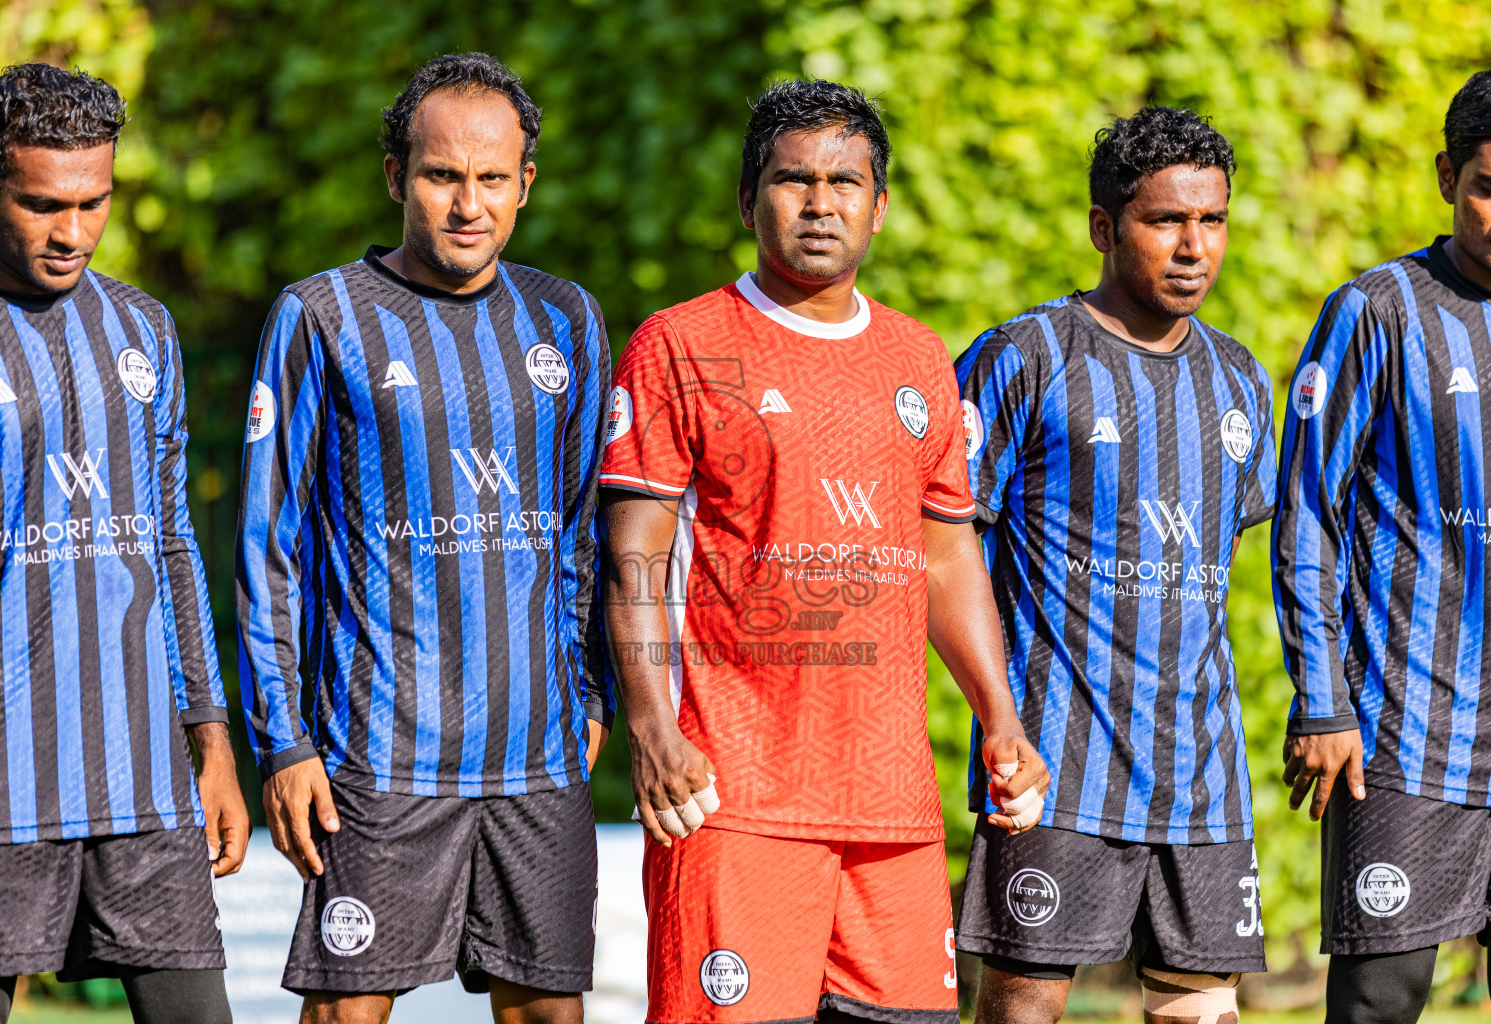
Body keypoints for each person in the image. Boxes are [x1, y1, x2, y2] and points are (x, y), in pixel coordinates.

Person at [600, 78, 1047, 1024]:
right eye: (793, 180)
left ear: (878, 208)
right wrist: (650, 727)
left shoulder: (920, 358)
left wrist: (999, 716)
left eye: (845, 182)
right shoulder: (680, 345)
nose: (819, 203)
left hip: (893, 807)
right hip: (732, 797)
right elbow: (634, 557)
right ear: (749, 198)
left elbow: (947, 556)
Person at [237, 53, 611, 1024]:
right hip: (379, 756)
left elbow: (583, 533)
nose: (468, 203)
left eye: (493, 178)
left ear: (526, 182)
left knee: (549, 1011)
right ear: (398, 174)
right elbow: (269, 543)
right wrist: (283, 739)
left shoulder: (566, 319)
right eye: (444, 175)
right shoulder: (321, 316)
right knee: (347, 1011)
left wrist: (594, 690)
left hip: (539, 757)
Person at [953, 107, 1275, 1024]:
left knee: (1200, 1013)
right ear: (1103, 228)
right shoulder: (1024, 358)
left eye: (1211, 221)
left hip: (1204, 778)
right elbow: (949, 549)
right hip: (1058, 767)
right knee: (1022, 1009)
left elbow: (1218, 564)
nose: (1193, 246)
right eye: (1165, 220)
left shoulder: (1241, 380)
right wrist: (998, 720)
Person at [0, 64, 248, 1024]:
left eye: (95, 202)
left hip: (145, 782)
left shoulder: (144, 330)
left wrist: (212, 742)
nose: (72, 230)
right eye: (41, 204)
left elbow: (170, 548)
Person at [1273, 70, 1491, 1024]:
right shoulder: (1378, 311)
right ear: (1447, 176)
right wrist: (1322, 701)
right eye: (1490, 184)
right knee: (1381, 999)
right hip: (1406, 730)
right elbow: (1308, 511)